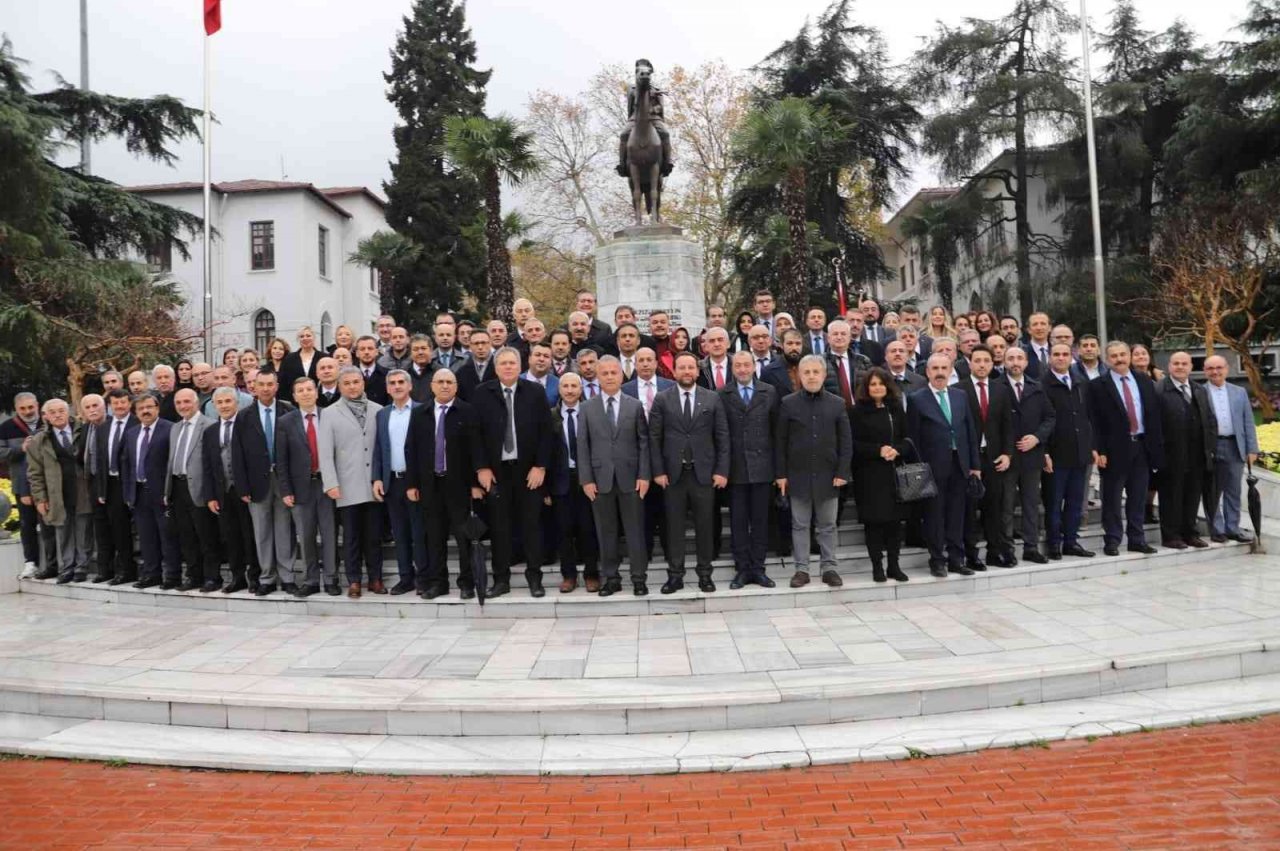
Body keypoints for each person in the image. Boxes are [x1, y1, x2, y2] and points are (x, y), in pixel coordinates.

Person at [472, 347, 554, 598]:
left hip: (528, 471)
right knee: (500, 528)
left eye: (512, 363)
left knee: (532, 526)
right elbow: (475, 435)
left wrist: (540, 466)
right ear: (496, 368)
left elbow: (546, 433)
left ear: (520, 367)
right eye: (503, 363)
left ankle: (534, 578)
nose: (508, 367)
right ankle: (501, 579)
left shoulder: (535, 392)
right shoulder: (482, 393)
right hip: (496, 472)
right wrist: (482, 468)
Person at [649, 352, 730, 594]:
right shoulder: (662, 399)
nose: (686, 372)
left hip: (703, 475)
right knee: (674, 529)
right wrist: (658, 471)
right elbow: (654, 438)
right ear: (674, 372)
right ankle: (675, 576)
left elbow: (722, 437)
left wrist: (721, 470)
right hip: (672, 477)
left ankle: (705, 574)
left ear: (697, 371)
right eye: (681, 368)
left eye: (690, 368)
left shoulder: (712, 399)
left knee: (705, 527)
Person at [405, 368, 488, 599]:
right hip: (430, 486)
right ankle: (438, 583)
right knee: (434, 537)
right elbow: (411, 449)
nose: (444, 386)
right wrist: (412, 484)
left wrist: (474, 483)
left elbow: (476, 450)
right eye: (440, 382)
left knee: (464, 539)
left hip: (459, 487)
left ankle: (466, 583)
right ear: (432, 385)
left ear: (456, 386)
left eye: (449, 382)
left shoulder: (467, 411)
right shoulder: (420, 413)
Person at [577, 355, 651, 597]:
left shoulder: (634, 405)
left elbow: (643, 443)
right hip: (600, 480)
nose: (609, 376)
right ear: (597, 377)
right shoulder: (587, 408)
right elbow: (583, 445)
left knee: (635, 531)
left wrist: (644, 475)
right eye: (605, 373)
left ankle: (639, 578)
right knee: (605, 532)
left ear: (622, 375)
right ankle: (611, 578)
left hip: (631, 479)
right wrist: (586, 479)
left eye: (613, 372)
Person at [776, 354, 852, 588]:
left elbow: (845, 442)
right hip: (797, 476)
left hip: (829, 476)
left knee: (828, 524)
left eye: (815, 372)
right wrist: (781, 475)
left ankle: (829, 567)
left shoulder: (837, 403)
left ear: (823, 374)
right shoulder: (788, 403)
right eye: (806, 372)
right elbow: (780, 441)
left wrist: (842, 472)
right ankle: (802, 570)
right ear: (799, 375)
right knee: (800, 524)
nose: (811, 376)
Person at [907, 353, 982, 578]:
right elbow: (913, 437)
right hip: (932, 468)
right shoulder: (916, 398)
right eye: (935, 368)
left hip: (960, 465)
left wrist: (975, 465)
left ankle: (957, 560)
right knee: (934, 516)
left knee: (957, 514)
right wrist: (918, 470)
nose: (940, 372)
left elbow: (970, 431)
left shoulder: (960, 396)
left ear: (950, 371)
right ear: (927, 372)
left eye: (944, 368)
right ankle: (937, 560)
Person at [1088, 341, 1164, 556]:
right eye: (1114, 356)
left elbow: (1153, 416)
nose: (1119, 359)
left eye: (1123, 354)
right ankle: (1112, 540)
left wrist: (1155, 449)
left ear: (1129, 356)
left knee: (1138, 496)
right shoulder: (1097, 386)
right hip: (1113, 451)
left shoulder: (1143, 381)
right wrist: (1099, 449)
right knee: (1111, 498)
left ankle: (1137, 539)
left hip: (1141, 447)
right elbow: (1094, 420)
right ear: (1107, 359)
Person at [318, 366, 384, 598]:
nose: (352, 386)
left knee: (373, 536)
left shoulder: (378, 410)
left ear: (363, 383)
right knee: (351, 536)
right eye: (347, 383)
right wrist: (331, 483)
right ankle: (354, 580)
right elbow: (325, 453)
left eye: (356, 382)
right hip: (346, 485)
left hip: (373, 484)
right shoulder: (329, 413)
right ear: (339, 386)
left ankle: (375, 578)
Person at [232, 371, 297, 596]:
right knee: (262, 532)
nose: (266, 388)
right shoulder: (243, 416)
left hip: (284, 481)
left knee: (284, 530)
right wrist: (242, 486)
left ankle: (287, 576)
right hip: (256, 483)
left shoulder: (289, 410)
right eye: (261, 384)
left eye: (270, 384)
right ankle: (267, 578)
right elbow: (237, 454)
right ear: (254, 387)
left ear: (277, 386)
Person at [277, 378, 339, 597]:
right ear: (294, 396)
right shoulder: (285, 422)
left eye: (309, 389)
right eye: (300, 390)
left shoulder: (330, 415)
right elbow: (281, 460)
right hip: (301, 487)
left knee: (330, 533)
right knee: (306, 535)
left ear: (316, 392)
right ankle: (311, 580)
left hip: (327, 484)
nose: (305, 393)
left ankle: (331, 578)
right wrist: (286, 490)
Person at [721, 350, 778, 589]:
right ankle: (742, 568)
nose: (743, 370)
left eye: (747, 365)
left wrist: (778, 470)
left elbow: (776, 432)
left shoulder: (769, 391)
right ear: (732, 369)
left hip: (763, 467)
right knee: (738, 521)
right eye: (738, 366)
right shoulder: (723, 394)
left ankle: (758, 568)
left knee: (760, 520)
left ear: (755, 366)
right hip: (735, 468)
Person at [849, 368, 910, 583]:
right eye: (873, 384)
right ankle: (877, 566)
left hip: (894, 474)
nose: (877, 388)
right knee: (873, 523)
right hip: (869, 476)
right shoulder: (856, 412)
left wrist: (897, 450)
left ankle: (894, 565)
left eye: (881, 384)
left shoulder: (895, 409)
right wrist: (877, 450)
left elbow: (907, 439)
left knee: (894, 523)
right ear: (866, 388)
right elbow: (852, 445)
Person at [372, 369, 426, 595]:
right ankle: (406, 578)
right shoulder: (383, 414)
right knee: (400, 533)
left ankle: (423, 577)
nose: (397, 386)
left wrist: (420, 482)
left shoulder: (423, 411)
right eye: (392, 383)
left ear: (410, 385)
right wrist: (376, 478)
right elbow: (378, 449)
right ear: (387, 388)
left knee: (419, 532)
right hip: (392, 482)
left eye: (401, 382)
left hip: (415, 483)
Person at [546, 372, 600, 593]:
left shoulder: (592, 413)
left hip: (588, 479)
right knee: (563, 530)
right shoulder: (550, 416)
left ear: (581, 389)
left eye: (573, 386)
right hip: (560, 480)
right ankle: (568, 575)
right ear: (559, 390)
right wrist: (545, 488)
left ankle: (591, 574)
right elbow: (545, 453)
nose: (569, 390)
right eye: (565, 386)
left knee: (588, 529)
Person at [961, 345, 1014, 571]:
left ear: (992, 364)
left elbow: (1008, 425)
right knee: (970, 509)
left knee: (994, 507)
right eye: (977, 360)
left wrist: (1007, 453)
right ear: (970, 363)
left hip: (994, 458)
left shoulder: (1001, 389)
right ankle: (971, 554)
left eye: (986, 361)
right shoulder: (959, 389)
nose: (982, 364)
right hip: (969, 461)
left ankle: (994, 552)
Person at [1156, 352, 1215, 550]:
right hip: (1171, 455)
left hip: (1197, 454)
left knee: (1192, 495)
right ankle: (1171, 536)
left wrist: (1210, 448)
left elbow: (1210, 420)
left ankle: (1190, 533)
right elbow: (1153, 425)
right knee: (1171, 496)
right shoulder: (1159, 389)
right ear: (1169, 366)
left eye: (1184, 364)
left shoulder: (1199, 389)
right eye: (1176, 363)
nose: (1180, 367)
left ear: (1191, 366)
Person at [1001, 347, 1055, 564]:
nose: (1015, 362)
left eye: (1019, 358)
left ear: (1025, 362)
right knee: (1006, 505)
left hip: (1032, 455)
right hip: (1007, 456)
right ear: (1004, 362)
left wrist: (1037, 438)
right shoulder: (998, 387)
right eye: (1011, 358)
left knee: (1031, 503)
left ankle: (1031, 547)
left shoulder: (1037, 387)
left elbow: (1050, 417)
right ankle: (1007, 550)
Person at [120, 391, 179, 589]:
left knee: (167, 536)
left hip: (162, 493)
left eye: (149, 407)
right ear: (135, 412)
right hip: (138, 492)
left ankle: (172, 576)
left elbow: (173, 463)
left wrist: (169, 493)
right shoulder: (131, 433)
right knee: (146, 537)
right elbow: (127, 464)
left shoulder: (170, 429)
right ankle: (151, 574)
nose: (145, 411)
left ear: (157, 408)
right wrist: (128, 493)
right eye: (141, 408)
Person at [26, 399, 88, 583]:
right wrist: (40, 499)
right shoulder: (39, 440)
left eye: (61, 410)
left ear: (68, 411)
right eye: (52, 412)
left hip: (83, 490)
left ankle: (81, 568)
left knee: (83, 531)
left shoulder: (83, 431)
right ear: (46, 416)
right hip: (56, 494)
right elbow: (34, 473)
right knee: (63, 532)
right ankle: (67, 568)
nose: (57, 415)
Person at [164, 389, 220, 592]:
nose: (182, 406)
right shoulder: (175, 427)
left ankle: (213, 577)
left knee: (206, 535)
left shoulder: (210, 425)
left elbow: (213, 463)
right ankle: (193, 576)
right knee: (186, 535)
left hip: (200, 487)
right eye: (179, 402)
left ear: (197, 403)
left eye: (187, 401)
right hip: (178, 487)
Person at [1044, 343, 1095, 560]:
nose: (1061, 358)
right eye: (1056, 354)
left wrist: (1092, 446)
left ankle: (1071, 541)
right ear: (1050, 358)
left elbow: (1089, 417)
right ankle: (1054, 543)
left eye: (1065, 354)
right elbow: (1040, 419)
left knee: (1075, 501)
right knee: (1054, 502)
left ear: (1071, 358)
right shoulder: (1043, 384)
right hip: (1056, 455)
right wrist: (1044, 452)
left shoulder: (1081, 382)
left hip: (1080, 452)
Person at [201, 387, 255, 593]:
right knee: (230, 537)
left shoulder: (247, 426)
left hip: (245, 491)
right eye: (220, 402)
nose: (224, 406)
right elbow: (207, 465)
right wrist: (210, 496)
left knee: (248, 535)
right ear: (214, 406)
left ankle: (254, 576)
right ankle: (237, 577)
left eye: (228, 401)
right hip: (222, 491)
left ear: (237, 403)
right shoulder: (210, 432)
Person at [1203, 355, 1260, 543]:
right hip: (1211, 447)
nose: (1215, 371)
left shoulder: (1239, 392)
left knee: (1233, 490)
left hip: (1235, 445)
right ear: (1205, 370)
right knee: (1212, 491)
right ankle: (1217, 529)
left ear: (1227, 369)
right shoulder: (1199, 392)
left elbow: (1248, 422)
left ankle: (1232, 528)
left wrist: (1252, 449)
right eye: (1210, 368)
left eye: (1219, 367)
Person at [93, 388, 136, 584]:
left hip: (131, 483)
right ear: (110, 406)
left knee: (130, 529)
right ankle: (115, 570)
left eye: (123, 403)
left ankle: (131, 570)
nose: (119, 406)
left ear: (129, 404)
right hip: (109, 484)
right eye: (115, 403)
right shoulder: (103, 427)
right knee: (112, 530)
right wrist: (101, 490)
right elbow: (100, 460)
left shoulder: (137, 424)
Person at [0, 392, 41, 575]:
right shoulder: (6, 427)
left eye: (31, 407)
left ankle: (56, 562)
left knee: (53, 524)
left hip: (49, 484)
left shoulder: (47, 422)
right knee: (27, 524)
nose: (28, 411)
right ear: (16, 409)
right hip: (21, 483)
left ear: (37, 405)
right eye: (23, 408)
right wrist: (20, 448)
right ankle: (31, 562)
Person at [76, 393, 106, 582]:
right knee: (100, 528)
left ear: (104, 407)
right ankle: (104, 570)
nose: (92, 410)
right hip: (93, 483)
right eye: (87, 407)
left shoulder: (112, 426)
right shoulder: (86, 429)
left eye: (96, 405)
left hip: (113, 484)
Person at [825, 319, 872, 409]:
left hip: (861, 412)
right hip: (832, 412)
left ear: (850, 337)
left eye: (843, 334)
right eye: (835, 334)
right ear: (828, 338)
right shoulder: (819, 362)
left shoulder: (863, 361)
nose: (839, 337)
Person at [278, 325, 322, 405]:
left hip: (319, 402)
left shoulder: (323, 358)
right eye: (302, 336)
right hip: (294, 403)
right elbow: (283, 383)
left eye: (308, 336)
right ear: (298, 340)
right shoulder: (289, 359)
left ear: (314, 338)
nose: (305, 338)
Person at [453, 327, 496, 401]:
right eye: (476, 343)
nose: (480, 347)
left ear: (490, 343)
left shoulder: (501, 369)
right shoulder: (461, 372)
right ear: (470, 345)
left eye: (483, 343)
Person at [353, 335, 389, 405]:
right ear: (357, 353)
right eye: (362, 349)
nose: (366, 352)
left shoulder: (387, 374)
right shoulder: (349, 375)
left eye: (370, 348)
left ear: (376, 352)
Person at [406, 334, 438, 403]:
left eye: (423, 348)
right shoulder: (403, 374)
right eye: (416, 349)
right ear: (410, 353)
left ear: (431, 350)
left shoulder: (440, 373)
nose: (420, 352)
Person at [1021, 312, 1053, 379]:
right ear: (1029, 330)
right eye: (1035, 324)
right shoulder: (1022, 353)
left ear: (1050, 328)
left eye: (1043, 324)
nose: (1039, 328)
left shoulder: (1057, 352)